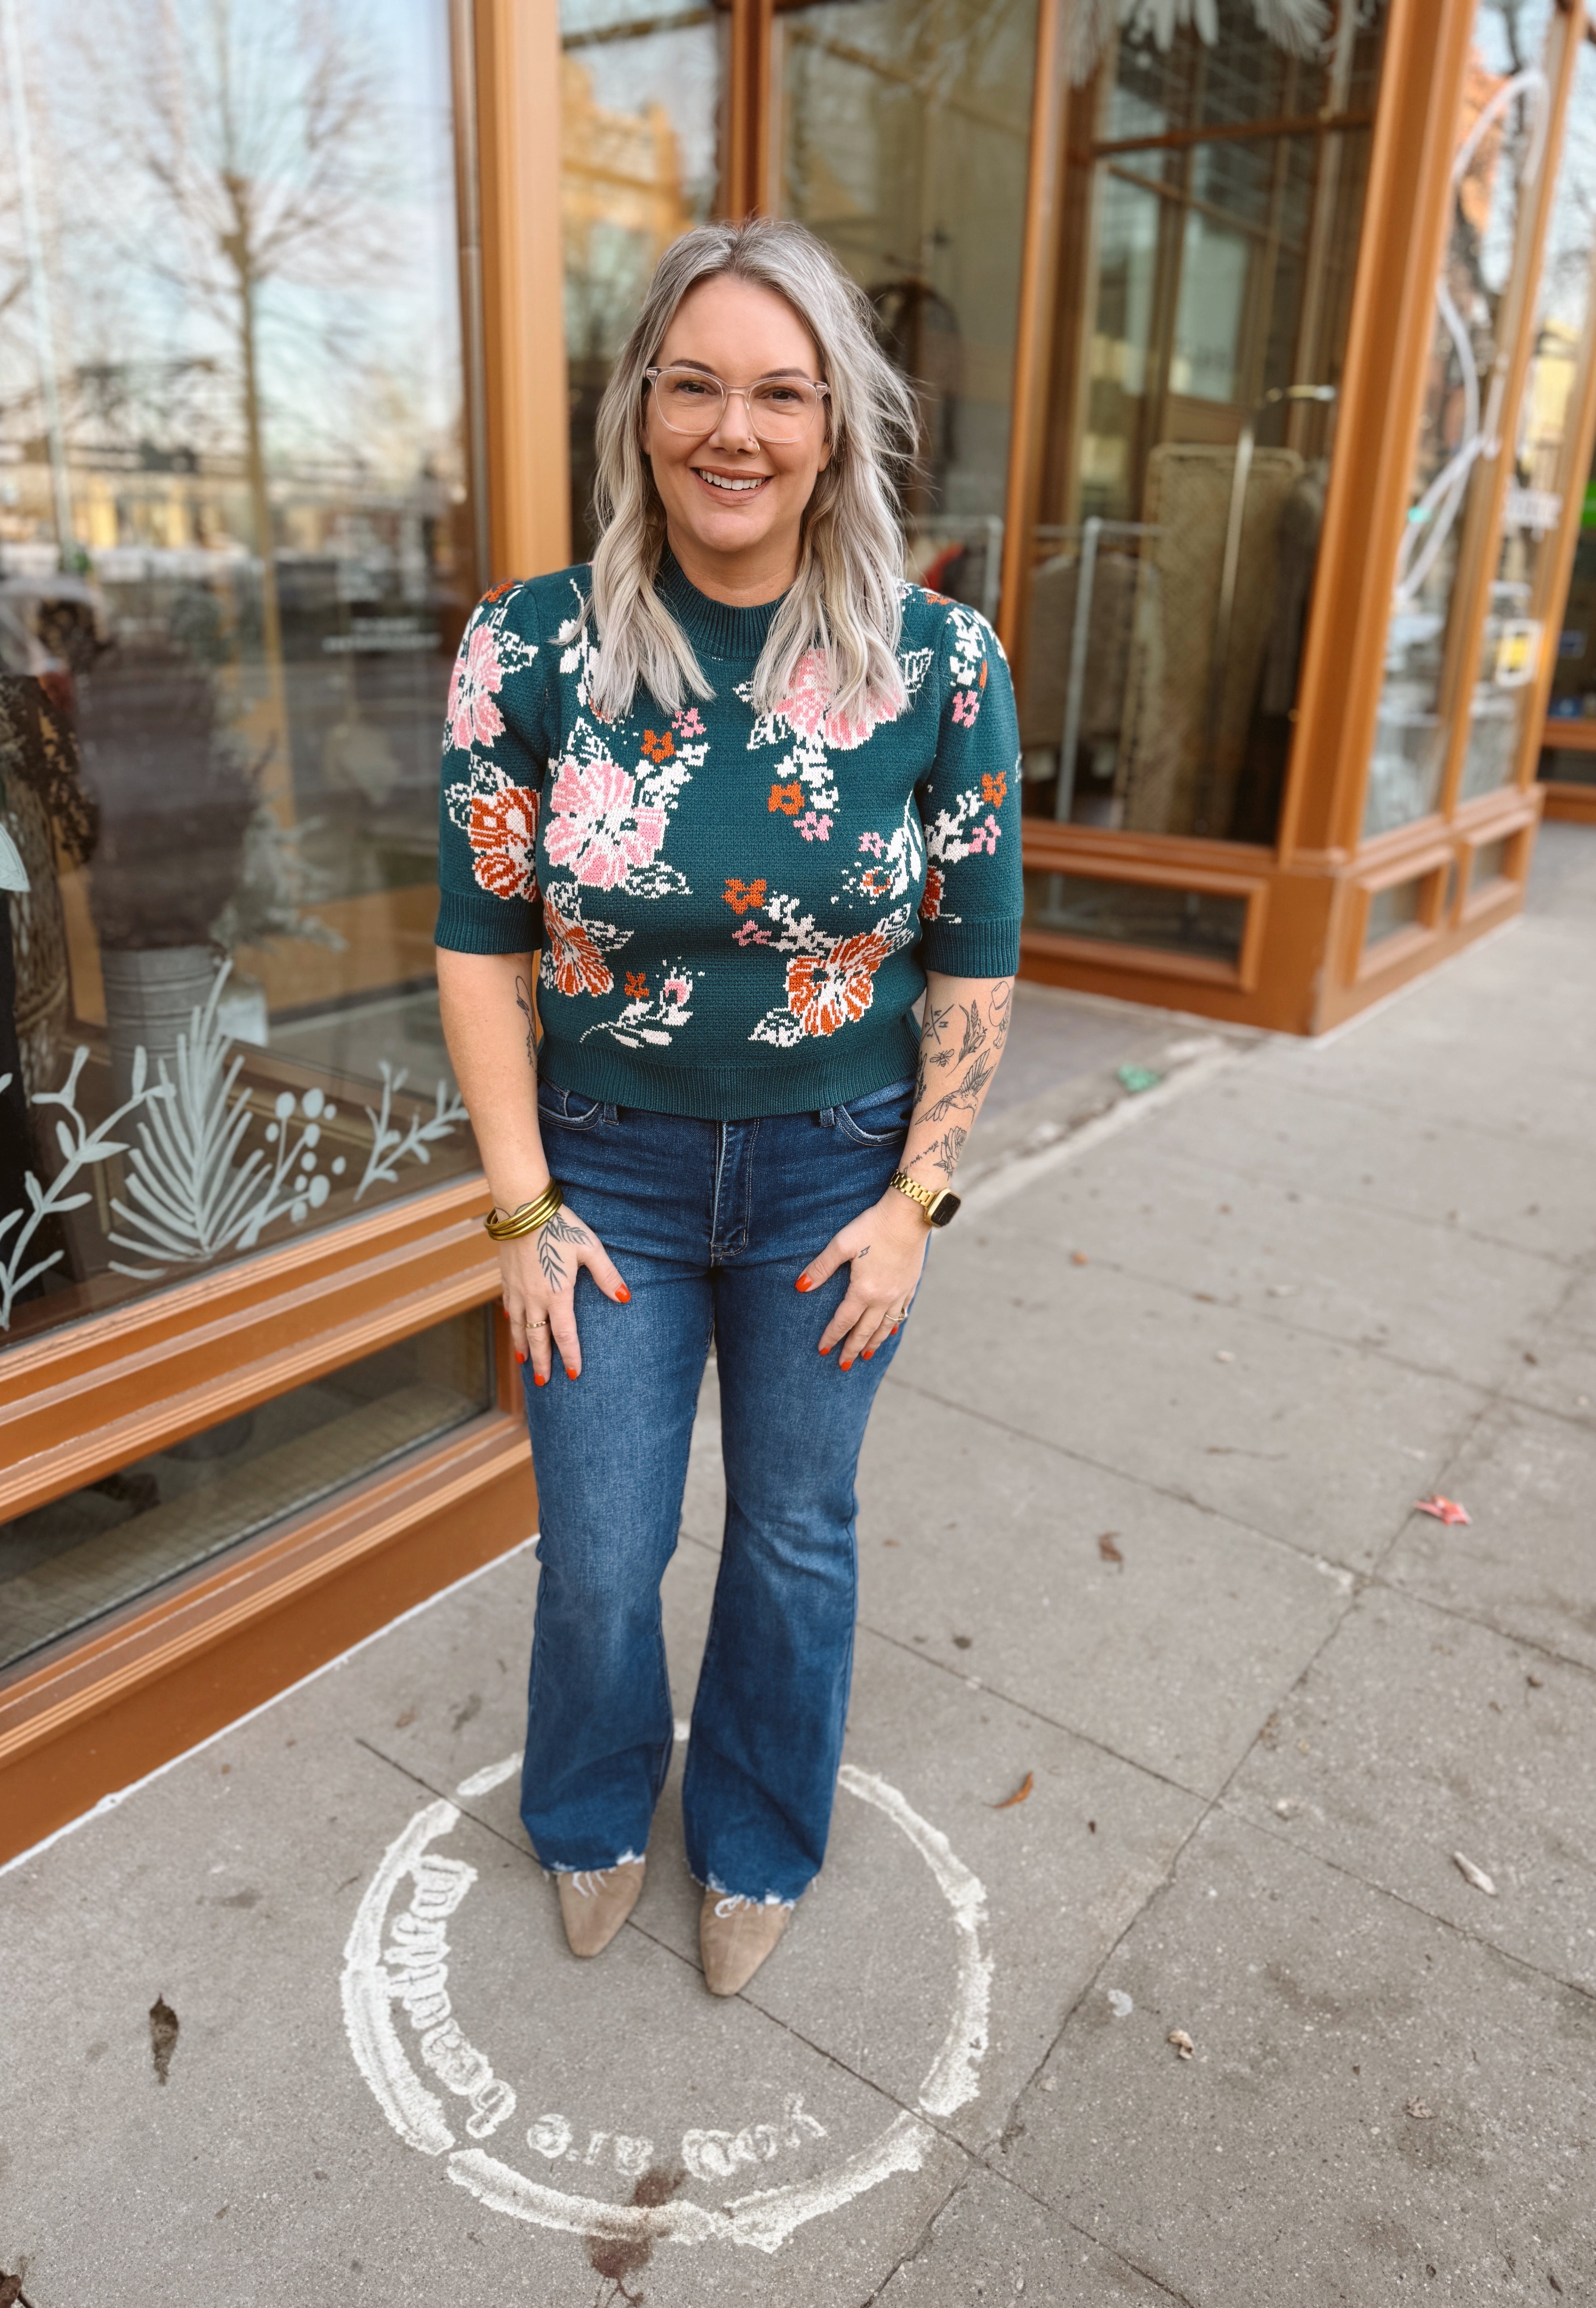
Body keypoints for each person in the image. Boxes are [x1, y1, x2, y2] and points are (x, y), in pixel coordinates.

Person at [434, 218, 1021, 1997]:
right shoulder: (528, 648)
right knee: (604, 1550)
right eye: (693, 385)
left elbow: (975, 958)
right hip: (598, 1174)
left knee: (791, 1537)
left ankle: (758, 1835)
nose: (734, 431)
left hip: (828, 1177)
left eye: (781, 392)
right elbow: (478, 947)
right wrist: (523, 1211)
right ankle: (594, 1810)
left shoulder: (939, 664)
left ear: (835, 426)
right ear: (638, 409)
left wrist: (915, 1206)